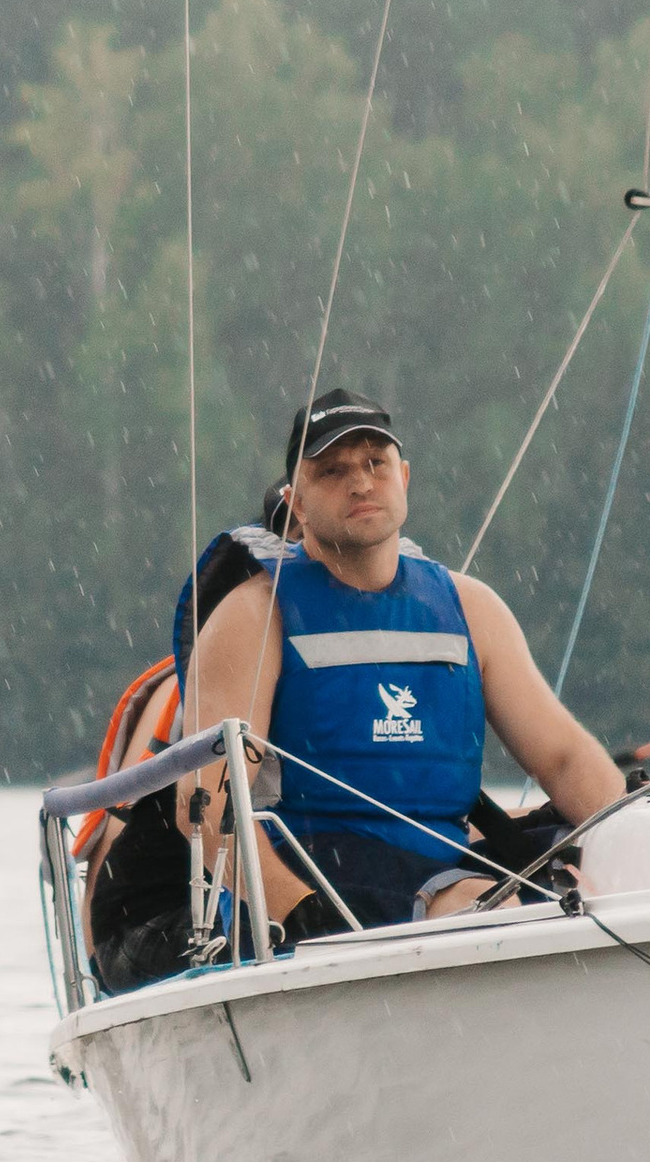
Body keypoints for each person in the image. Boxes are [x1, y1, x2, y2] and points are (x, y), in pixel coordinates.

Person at [99, 390, 623, 986]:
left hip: (438, 865)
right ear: (296, 505)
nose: (361, 482)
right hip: (311, 867)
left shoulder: (473, 609)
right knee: (481, 906)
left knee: (579, 880)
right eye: (332, 470)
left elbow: (563, 758)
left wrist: (633, 835)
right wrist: (298, 912)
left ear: (404, 478)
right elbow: (210, 804)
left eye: (376, 462)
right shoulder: (251, 619)